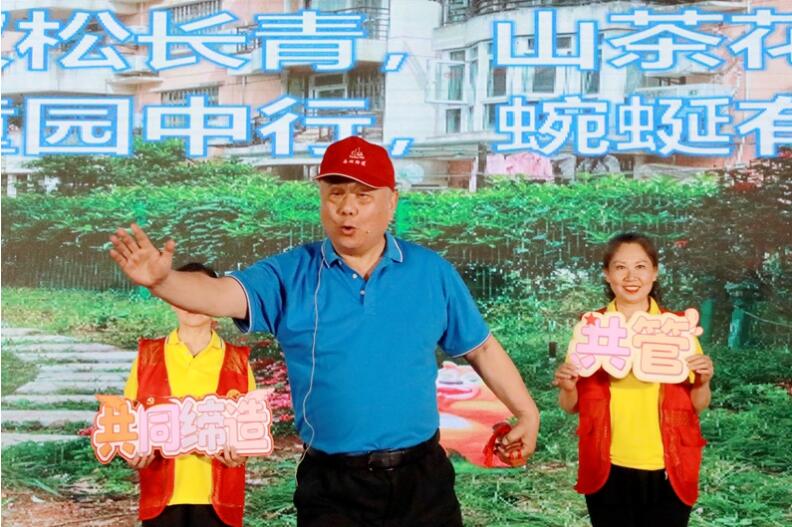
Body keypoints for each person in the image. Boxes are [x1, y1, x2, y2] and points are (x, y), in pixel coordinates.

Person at [110, 135, 540, 527]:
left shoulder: (431, 273)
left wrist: (527, 413)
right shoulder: (290, 273)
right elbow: (221, 294)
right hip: (333, 485)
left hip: (422, 478)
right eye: (336, 194)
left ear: (391, 201)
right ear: (322, 200)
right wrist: (163, 281)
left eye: (363, 195)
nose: (347, 208)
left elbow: (482, 348)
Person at [553, 232, 715, 527]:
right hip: (607, 463)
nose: (631, 277)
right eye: (620, 267)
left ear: (655, 273)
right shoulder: (592, 329)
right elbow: (569, 405)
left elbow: (699, 404)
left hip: (669, 464)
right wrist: (568, 386)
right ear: (607, 274)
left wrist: (703, 382)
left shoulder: (677, 329)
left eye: (641, 266)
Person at [123, 262, 257, 527]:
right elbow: (129, 421)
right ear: (171, 299)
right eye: (184, 293)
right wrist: (131, 449)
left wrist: (242, 452)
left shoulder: (237, 361)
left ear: (217, 302)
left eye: (201, 293)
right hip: (162, 496)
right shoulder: (148, 357)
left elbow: (250, 426)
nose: (192, 303)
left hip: (219, 498)